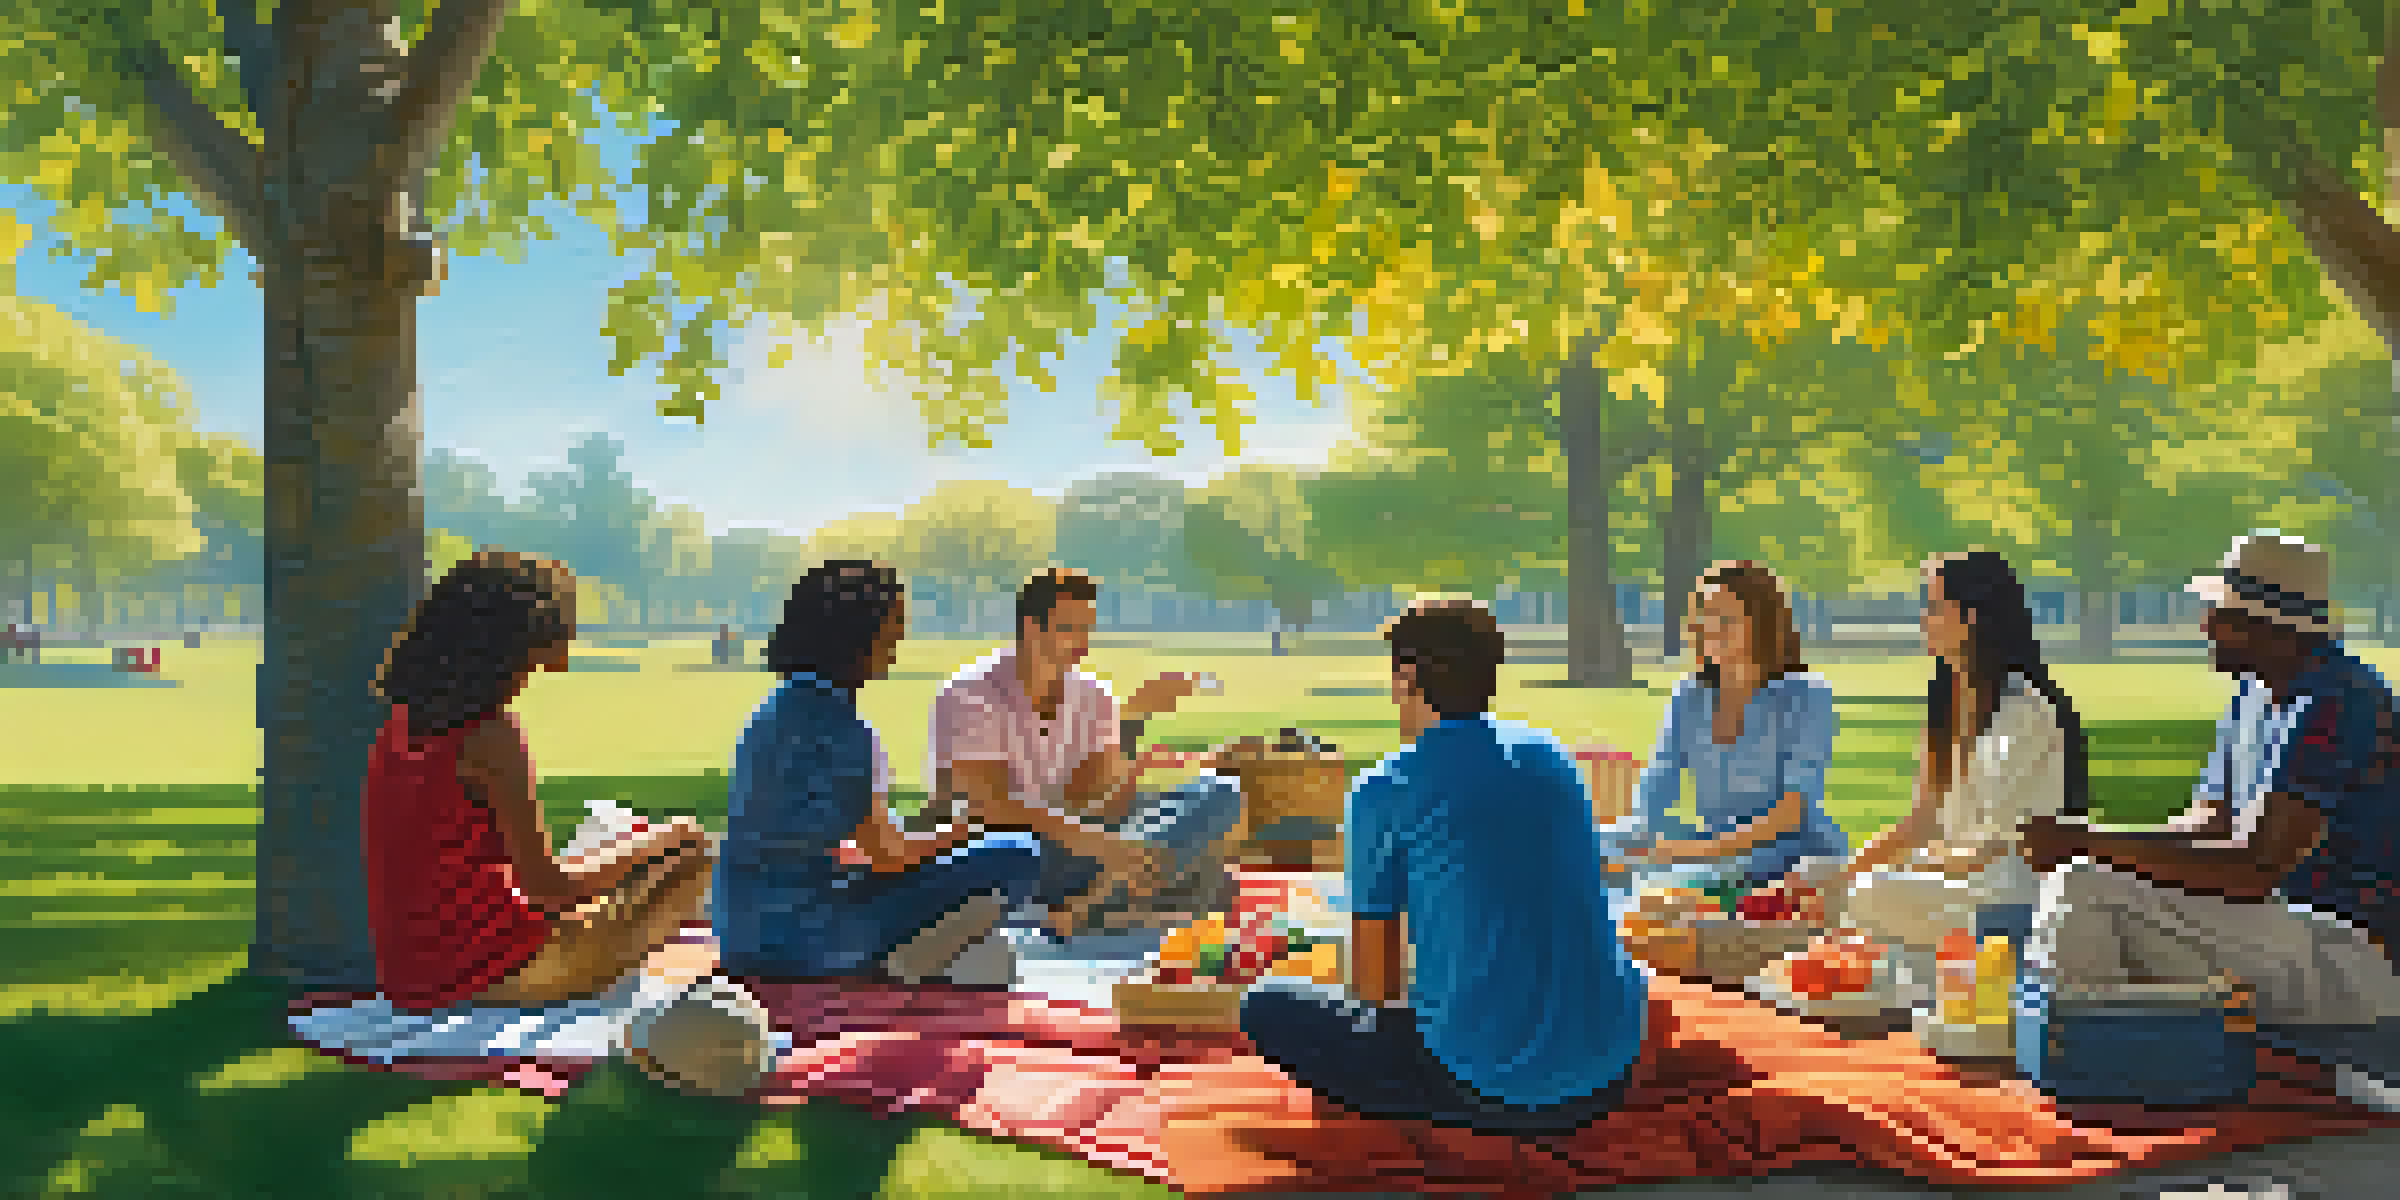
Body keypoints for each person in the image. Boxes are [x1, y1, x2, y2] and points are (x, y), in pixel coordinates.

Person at [1241, 598, 1647, 1134]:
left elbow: (1375, 988)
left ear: (1407, 677)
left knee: (1266, 1005)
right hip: (1608, 1070)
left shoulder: (1387, 787)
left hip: (1485, 1086)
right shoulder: (1553, 759)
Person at [2019, 532, 2400, 1029]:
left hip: (2354, 957)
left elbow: (2252, 869)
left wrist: (2086, 844)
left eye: (2221, 615)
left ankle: (2090, 1051)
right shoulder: (2254, 693)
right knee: (2083, 877)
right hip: (2280, 934)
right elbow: (2204, 828)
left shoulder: (2336, 702)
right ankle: (2099, 1048)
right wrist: (2084, 843)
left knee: (2084, 888)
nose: (2205, 626)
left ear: (2270, 624)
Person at [362, 551, 717, 1013]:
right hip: (492, 975)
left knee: (621, 858)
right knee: (690, 859)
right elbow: (549, 887)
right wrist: (664, 838)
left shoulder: (402, 722)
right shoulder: (490, 735)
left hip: (412, 975)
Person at [716, 561, 1047, 987]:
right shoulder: (851, 735)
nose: (896, 646)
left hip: (739, 935)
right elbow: (889, 855)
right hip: (810, 943)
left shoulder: (762, 718)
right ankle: (902, 962)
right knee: (1017, 849)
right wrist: (961, 832)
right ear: (858, 638)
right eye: (892, 632)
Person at [928, 567, 1245, 940]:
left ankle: (1091, 901)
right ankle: (1118, 897)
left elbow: (1094, 800)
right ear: (1031, 627)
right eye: (1070, 628)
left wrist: (1133, 727)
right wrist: (1101, 842)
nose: (1083, 643)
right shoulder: (970, 694)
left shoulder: (1095, 696)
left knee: (1219, 793)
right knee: (1202, 877)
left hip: (1079, 846)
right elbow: (992, 808)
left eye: (1088, 629)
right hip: (1009, 852)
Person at [1797, 550, 2088, 951]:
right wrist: (1843, 871)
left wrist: (1870, 876)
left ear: (1969, 618)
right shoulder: (1945, 706)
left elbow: (1987, 848)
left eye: (1933, 607)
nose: (1923, 620)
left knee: (1864, 894)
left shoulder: (2026, 711)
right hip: (1947, 885)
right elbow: (1924, 819)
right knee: (1821, 875)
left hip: (2005, 897)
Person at [1598, 561, 1850, 890]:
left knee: (1666, 882)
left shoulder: (1805, 697)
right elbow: (1658, 785)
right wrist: (1630, 841)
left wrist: (1688, 853)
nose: (1710, 629)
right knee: (1580, 852)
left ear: (1760, 625)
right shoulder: (1689, 696)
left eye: (1725, 619)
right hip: (1712, 847)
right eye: (1707, 617)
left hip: (1790, 854)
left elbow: (1791, 814)